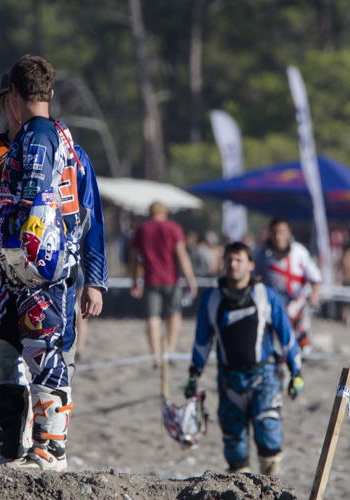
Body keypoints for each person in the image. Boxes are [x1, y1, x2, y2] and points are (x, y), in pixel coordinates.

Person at [0, 54, 107, 471]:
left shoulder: (36, 137)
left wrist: (21, 252)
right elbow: (85, 213)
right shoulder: (64, 136)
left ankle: (50, 448)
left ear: (15, 94)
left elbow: (33, 197)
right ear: (50, 93)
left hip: (38, 267)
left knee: (43, 351)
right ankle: (31, 445)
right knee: (24, 351)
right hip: (54, 263)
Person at [187, 241, 304, 476]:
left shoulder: (266, 295)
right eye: (229, 259)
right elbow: (202, 341)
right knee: (235, 447)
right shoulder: (211, 299)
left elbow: (286, 335)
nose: (233, 264)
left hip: (264, 376)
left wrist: (296, 372)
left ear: (250, 265)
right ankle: (242, 499)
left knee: (268, 433)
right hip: (229, 380)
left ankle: (269, 491)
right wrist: (193, 374)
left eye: (239, 259)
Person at [129, 201, 197, 370]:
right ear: (165, 212)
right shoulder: (173, 228)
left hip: (151, 279)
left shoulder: (142, 229)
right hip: (171, 279)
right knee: (174, 314)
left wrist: (133, 280)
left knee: (153, 318)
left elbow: (133, 257)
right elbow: (181, 255)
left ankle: (156, 357)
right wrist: (191, 280)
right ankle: (170, 350)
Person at [255, 218, 322, 361]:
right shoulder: (262, 255)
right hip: (272, 308)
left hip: (296, 306)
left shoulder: (299, 252)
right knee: (275, 348)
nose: (279, 236)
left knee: (302, 347)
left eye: (282, 232)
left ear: (288, 233)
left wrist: (315, 294)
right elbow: (254, 278)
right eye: (275, 233)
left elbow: (315, 277)